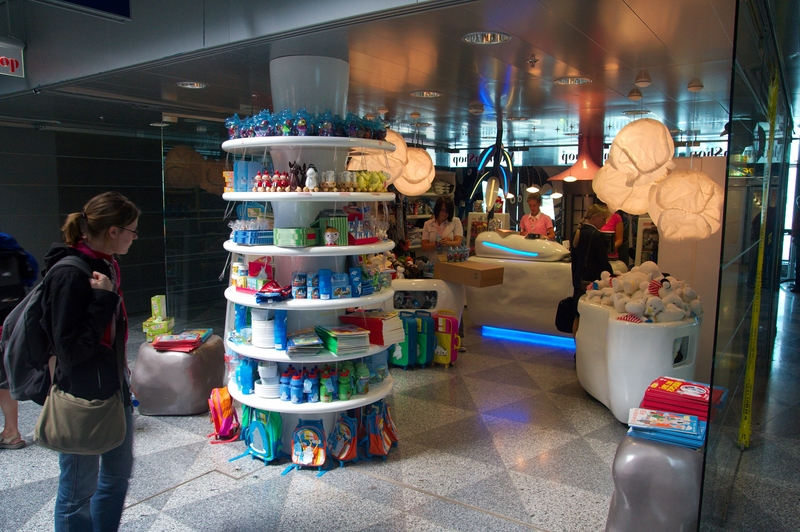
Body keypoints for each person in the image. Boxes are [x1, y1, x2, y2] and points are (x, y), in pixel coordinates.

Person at [41, 192, 140, 532]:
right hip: (81, 395)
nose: (134, 237)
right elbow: (69, 350)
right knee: (77, 491)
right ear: (113, 231)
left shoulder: (107, 264)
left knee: (117, 475)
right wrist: (102, 299)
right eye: (132, 230)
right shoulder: (70, 273)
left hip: (113, 384)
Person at [0, 233, 39, 450]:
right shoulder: (12, 247)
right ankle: (12, 431)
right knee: (6, 376)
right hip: (13, 322)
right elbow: (30, 274)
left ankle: (11, 432)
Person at [571, 204, 613, 301]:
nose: (605, 222)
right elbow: (603, 262)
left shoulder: (576, 233)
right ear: (594, 218)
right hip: (593, 280)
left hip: (578, 279)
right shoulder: (597, 236)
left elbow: (574, 260)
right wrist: (611, 276)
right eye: (603, 219)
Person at [421, 196, 463, 261]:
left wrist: (448, 242)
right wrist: (436, 244)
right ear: (437, 209)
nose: (444, 213)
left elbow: (458, 242)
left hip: (451, 261)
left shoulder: (455, 221)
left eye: (447, 211)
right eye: (442, 210)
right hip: (433, 261)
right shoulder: (428, 224)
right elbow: (424, 247)